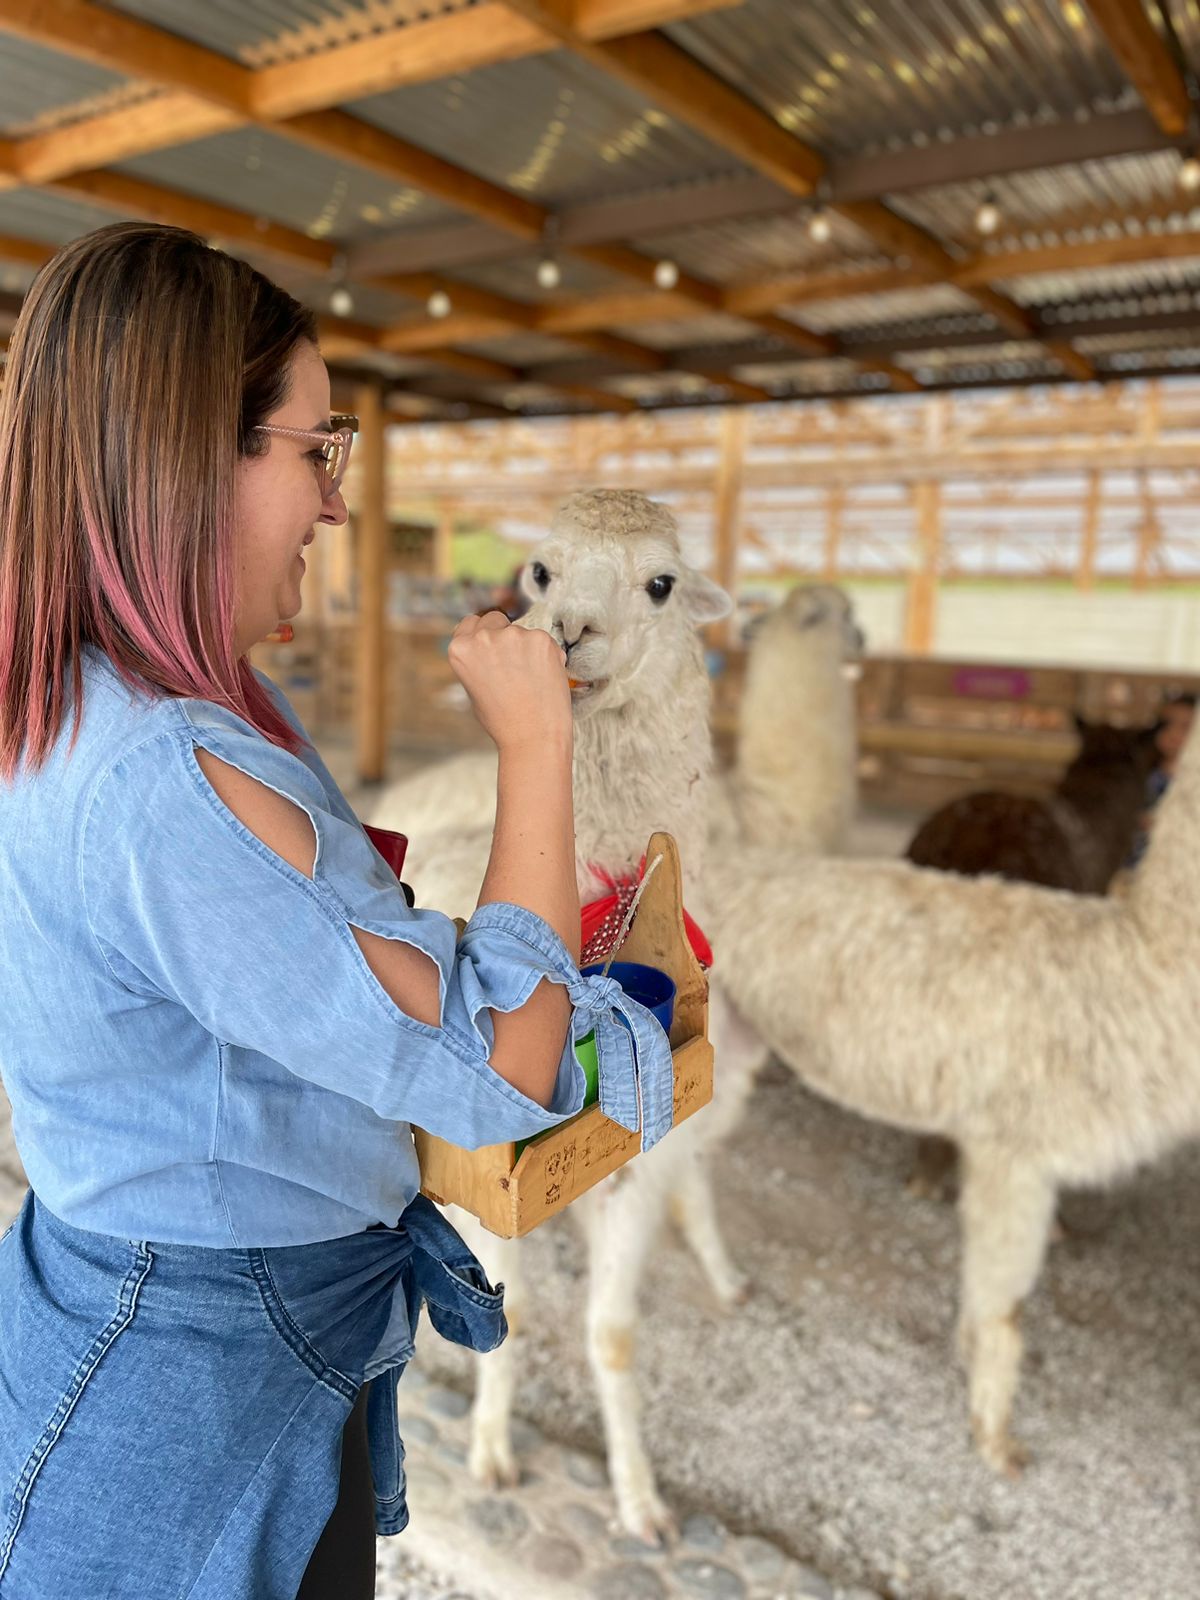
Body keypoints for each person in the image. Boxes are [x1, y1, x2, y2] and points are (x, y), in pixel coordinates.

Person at [0, 222, 671, 1599]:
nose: (336, 503)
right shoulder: (173, 781)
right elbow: (505, 1066)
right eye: (316, 451)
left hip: (173, 1306)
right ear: (194, 462)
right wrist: (539, 748)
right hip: (196, 1366)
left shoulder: (93, 699)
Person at [1127, 691, 1195, 867]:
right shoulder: (1142, 777)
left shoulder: (1193, 783)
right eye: (1166, 725)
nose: (1173, 733)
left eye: (1185, 727)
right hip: (1137, 863)